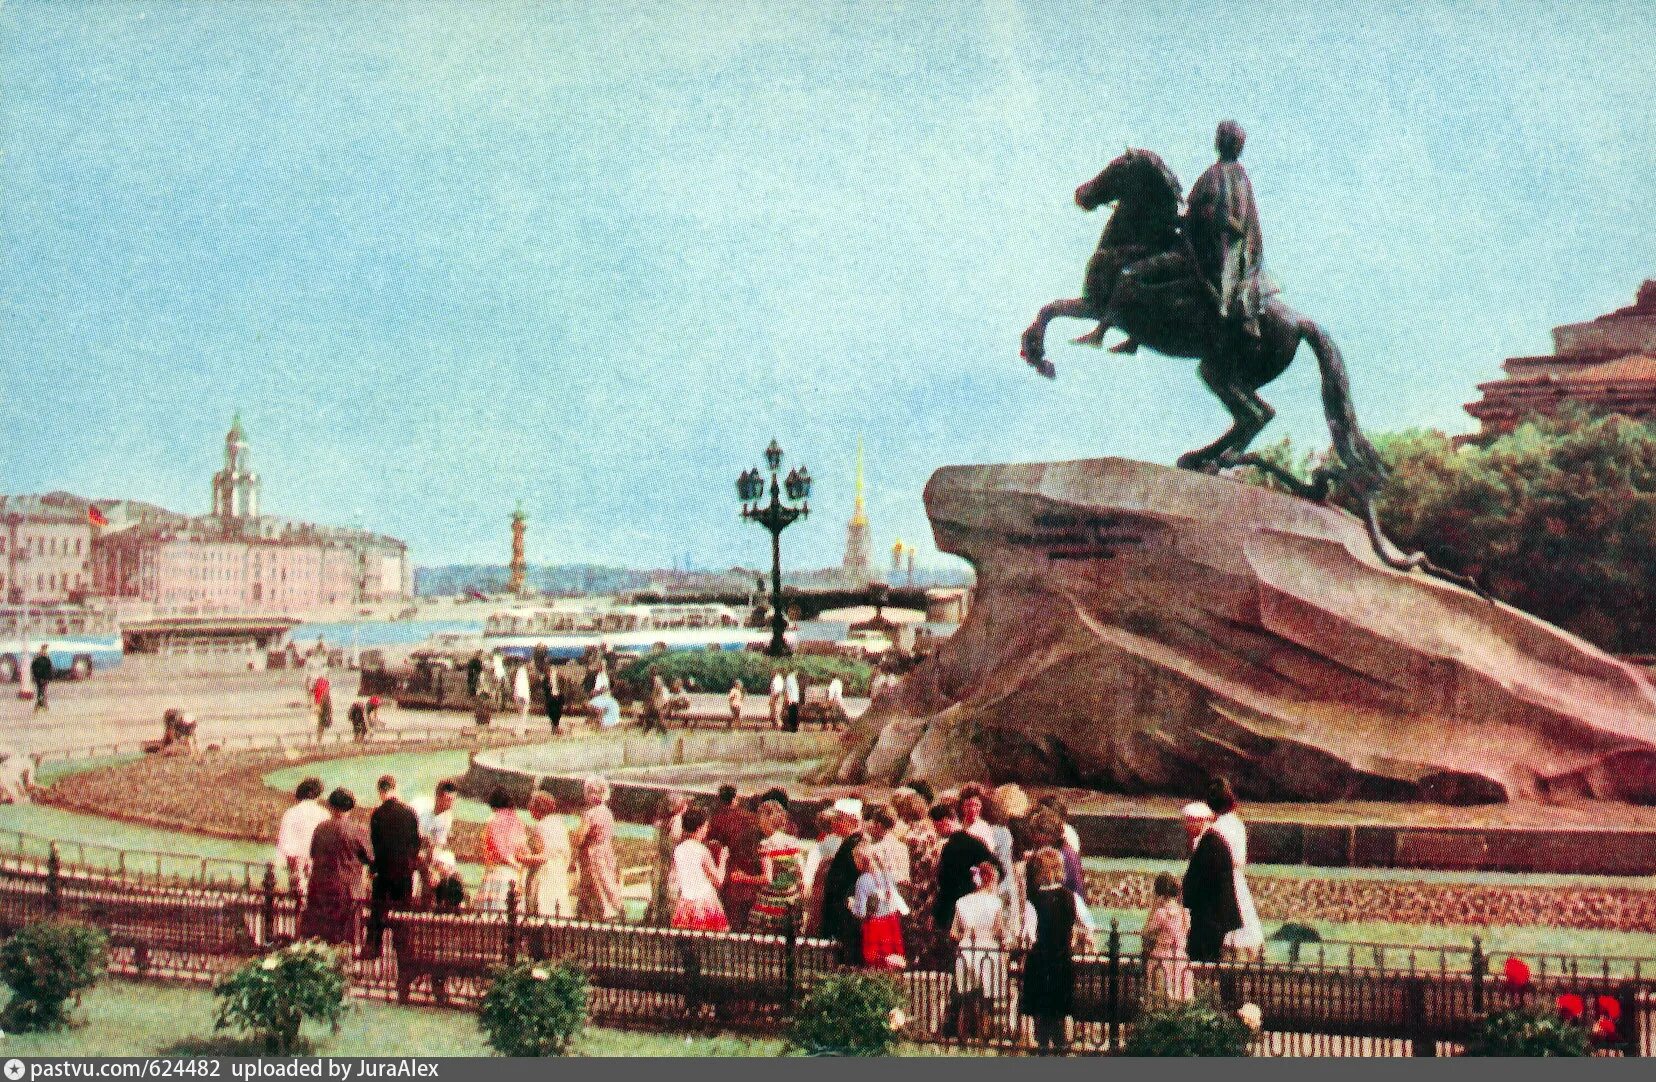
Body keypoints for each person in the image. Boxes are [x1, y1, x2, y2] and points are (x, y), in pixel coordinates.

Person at [1187, 120, 1266, 340]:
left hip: (1219, 249)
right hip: (1235, 247)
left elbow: (1198, 209)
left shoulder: (1213, 175)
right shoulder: (1241, 176)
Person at [1020, 847, 1095, 1055]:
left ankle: (1043, 1048)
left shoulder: (1032, 900)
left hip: (1040, 960)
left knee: (1041, 1012)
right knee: (1059, 1011)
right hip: (1061, 959)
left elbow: (1028, 933)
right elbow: (1088, 925)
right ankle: (1061, 1047)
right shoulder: (1071, 898)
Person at [299, 788, 372, 946]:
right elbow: (370, 858)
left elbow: (313, 853)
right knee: (346, 941)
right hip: (347, 891)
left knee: (321, 940)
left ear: (331, 806)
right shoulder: (357, 830)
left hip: (321, 889)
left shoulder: (320, 829)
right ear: (351, 808)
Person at [950, 860, 1012, 1039]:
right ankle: (983, 1036)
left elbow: (954, 933)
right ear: (991, 880)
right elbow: (999, 930)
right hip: (988, 950)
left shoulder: (962, 902)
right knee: (986, 999)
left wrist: (968, 935)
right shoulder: (995, 903)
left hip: (966, 949)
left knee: (966, 997)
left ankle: (963, 1036)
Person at [363, 774, 421, 960]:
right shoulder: (410, 812)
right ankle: (403, 950)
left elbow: (375, 845)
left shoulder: (377, 814)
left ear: (380, 791)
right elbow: (415, 843)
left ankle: (373, 948)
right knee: (403, 912)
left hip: (384, 871)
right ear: (395, 788)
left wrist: (373, 869)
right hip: (404, 871)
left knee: (378, 911)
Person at [1208, 778, 1264, 960]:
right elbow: (1240, 859)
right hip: (1237, 880)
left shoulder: (1215, 829)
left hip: (1222, 883)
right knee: (1245, 924)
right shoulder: (1238, 825)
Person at [932, 800, 995, 960]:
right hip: (974, 902)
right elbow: (998, 868)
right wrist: (982, 886)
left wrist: (937, 912)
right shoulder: (976, 842)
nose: (936, 830)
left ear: (945, 822)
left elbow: (944, 882)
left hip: (952, 905)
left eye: (936, 826)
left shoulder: (950, 847)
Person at [1181, 801, 1241, 963]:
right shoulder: (1212, 841)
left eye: (1188, 822)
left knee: (1204, 960)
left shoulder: (1211, 844)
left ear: (1198, 821)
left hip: (1210, 917)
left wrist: (1186, 897)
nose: (1186, 826)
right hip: (1212, 916)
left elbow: (1203, 882)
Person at [817, 799, 867, 962]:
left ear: (853, 821)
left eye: (839, 819)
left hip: (846, 915)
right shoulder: (848, 842)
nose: (835, 823)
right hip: (838, 912)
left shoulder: (858, 845)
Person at [707, 784, 763, 930]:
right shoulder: (749, 818)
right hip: (749, 869)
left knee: (732, 914)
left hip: (729, 871)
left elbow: (712, 845)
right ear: (734, 798)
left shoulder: (715, 819)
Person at [747, 799, 806, 935]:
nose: (759, 823)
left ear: (767, 819)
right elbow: (800, 874)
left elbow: (767, 878)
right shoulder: (793, 842)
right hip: (791, 901)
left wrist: (743, 877)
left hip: (770, 904)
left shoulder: (766, 845)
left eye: (760, 818)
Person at [669, 806, 729, 930]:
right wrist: (723, 860)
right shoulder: (702, 850)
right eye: (706, 827)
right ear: (699, 828)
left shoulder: (678, 849)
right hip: (705, 902)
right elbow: (718, 880)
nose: (707, 830)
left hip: (685, 902)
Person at [572, 775, 623, 920]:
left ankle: (600, 912)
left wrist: (575, 841)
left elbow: (580, 837)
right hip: (605, 850)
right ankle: (613, 908)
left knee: (596, 882)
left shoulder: (590, 813)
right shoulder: (607, 812)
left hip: (592, 852)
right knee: (607, 879)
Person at [849, 842, 906, 970]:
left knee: (875, 962)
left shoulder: (863, 881)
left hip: (874, 925)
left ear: (860, 861)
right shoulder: (887, 876)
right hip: (892, 922)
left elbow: (861, 912)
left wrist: (852, 904)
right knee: (892, 961)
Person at [1141, 871, 1194, 1002]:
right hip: (1180, 960)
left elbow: (1146, 933)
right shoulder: (1184, 913)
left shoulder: (1160, 913)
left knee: (1161, 1000)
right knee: (1181, 998)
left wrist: (1153, 908)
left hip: (1162, 959)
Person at [478, 787, 529, 912]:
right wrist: (517, 865)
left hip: (498, 871)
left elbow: (499, 850)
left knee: (492, 915)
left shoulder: (493, 820)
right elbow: (523, 849)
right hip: (515, 873)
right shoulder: (518, 821)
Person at [275, 777, 328, 895]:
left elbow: (284, 843)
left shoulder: (291, 813)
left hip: (296, 863)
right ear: (318, 794)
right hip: (317, 864)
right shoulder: (324, 814)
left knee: (298, 900)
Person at [525, 791, 573, 917]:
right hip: (559, 871)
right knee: (558, 905)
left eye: (532, 807)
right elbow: (566, 853)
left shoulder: (541, 827)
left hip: (545, 872)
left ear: (538, 808)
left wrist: (523, 858)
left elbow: (542, 855)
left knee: (543, 905)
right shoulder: (560, 825)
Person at [646, 792, 690, 925]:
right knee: (670, 895)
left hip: (661, 862)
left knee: (659, 893)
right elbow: (675, 843)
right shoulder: (677, 820)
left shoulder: (660, 823)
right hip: (672, 864)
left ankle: (658, 918)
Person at [412, 779, 458, 893]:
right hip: (409, 846)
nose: (451, 804)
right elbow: (410, 833)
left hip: (425, 851)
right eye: (448, 800)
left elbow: (438, 844)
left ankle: (435, 903)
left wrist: (434, 868)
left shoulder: (447, 817)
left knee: (446, 866)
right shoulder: (420, 807)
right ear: (438, 797)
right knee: (422, 858)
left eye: (453, 800)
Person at [542, 663, 564, 733]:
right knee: (552, 713)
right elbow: (544, 688)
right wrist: (548, 686)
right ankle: (554, 727)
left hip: (558, 696)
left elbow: (562, 686)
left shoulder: (558, 678)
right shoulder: (546, 679)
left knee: (558, 712)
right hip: (550, 697)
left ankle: (556, 727)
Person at [29, 646, 52, 712]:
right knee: (42, 692)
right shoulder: (45, 659)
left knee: (41, 691)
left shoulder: (37, 658)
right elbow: (49, 669)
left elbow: (33, 668)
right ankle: (41, 705)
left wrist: (35, 676)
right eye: (44, 650)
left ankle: (40, 705)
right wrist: (47, 678)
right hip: (42, 678)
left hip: (40, 678)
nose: (45, 651)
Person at [511, 661, 531, 735]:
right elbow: (521, 685)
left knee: (522, 713)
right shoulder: (522, 672)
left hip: (521, 694)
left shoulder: (521, 671)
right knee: (523, 713)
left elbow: (517, 684)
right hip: (522, 695)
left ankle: (522, 728)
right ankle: (519, 729)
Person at [312, 673, 332, 742]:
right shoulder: (325, 682)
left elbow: (312, 692)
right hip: (322, 703)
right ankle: (319, 740)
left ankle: (318, 740)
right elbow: (326, 693)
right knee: (321, 723)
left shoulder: (317, 682)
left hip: (319, 703)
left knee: (320, 723)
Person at [782, 668, 802, 733]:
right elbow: (788, 689)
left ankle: (793, 728)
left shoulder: (791, 678)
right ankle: (792, 728)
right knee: (793, 714)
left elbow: (790, 690)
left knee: (793, 714)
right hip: (793, 699)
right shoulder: (791, 678)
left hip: (793, 699)